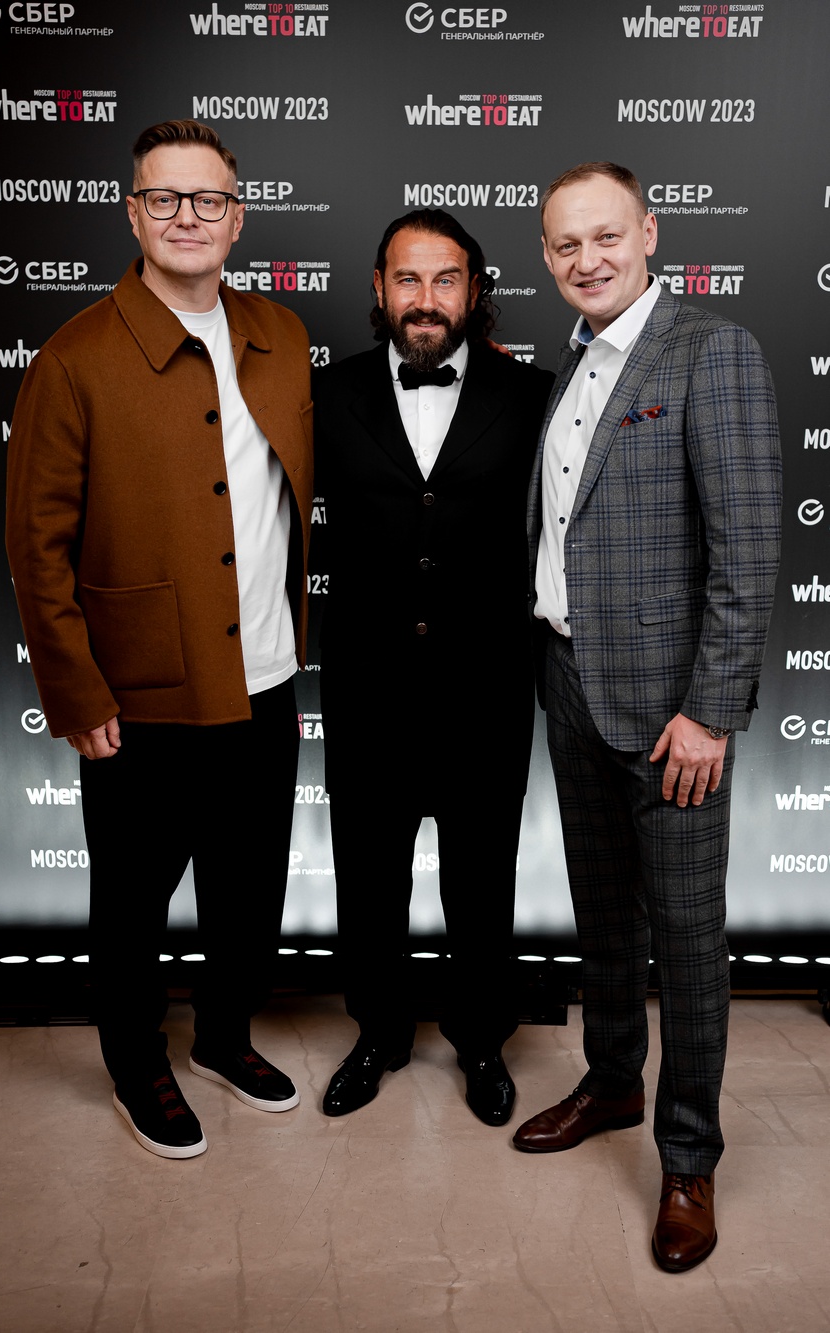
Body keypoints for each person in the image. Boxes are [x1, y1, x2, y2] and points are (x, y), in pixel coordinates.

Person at [6, 120, 314, 1159]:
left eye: (209, 198)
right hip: (138, 696)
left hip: (266, 677)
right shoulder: (74, 357)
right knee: (132, 902)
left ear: (238, 216)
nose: (190, 216)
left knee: (247, 889)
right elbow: (36, 545)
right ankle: (137, 1061)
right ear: (133, 213)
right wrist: (76, 690)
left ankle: (224, 1036)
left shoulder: (283, 334)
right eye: (166, 198)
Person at [513, 163, 782, 1270]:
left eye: (606, 236)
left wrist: (710, 714)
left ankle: (688, 1158)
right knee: (604, 917)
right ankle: (614, 1081)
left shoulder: (712, 350)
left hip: (674, 713)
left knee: (688, 939)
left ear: (649, 232)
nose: (588, 259)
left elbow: (747, 552)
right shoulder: (572, 364)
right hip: (571, 682)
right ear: (547, 256)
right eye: (565, 244)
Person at [314, 209, 554, 1126]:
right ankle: (378, 1033)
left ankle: (482, 1039)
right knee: (368, 877)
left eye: (445, 279)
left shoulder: (533, 395)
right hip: (366, 689)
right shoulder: (325, 393)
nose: (425, 299)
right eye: (407, 279)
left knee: (482, 879)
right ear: (378, 289)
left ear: (474, 290)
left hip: (486, 690)